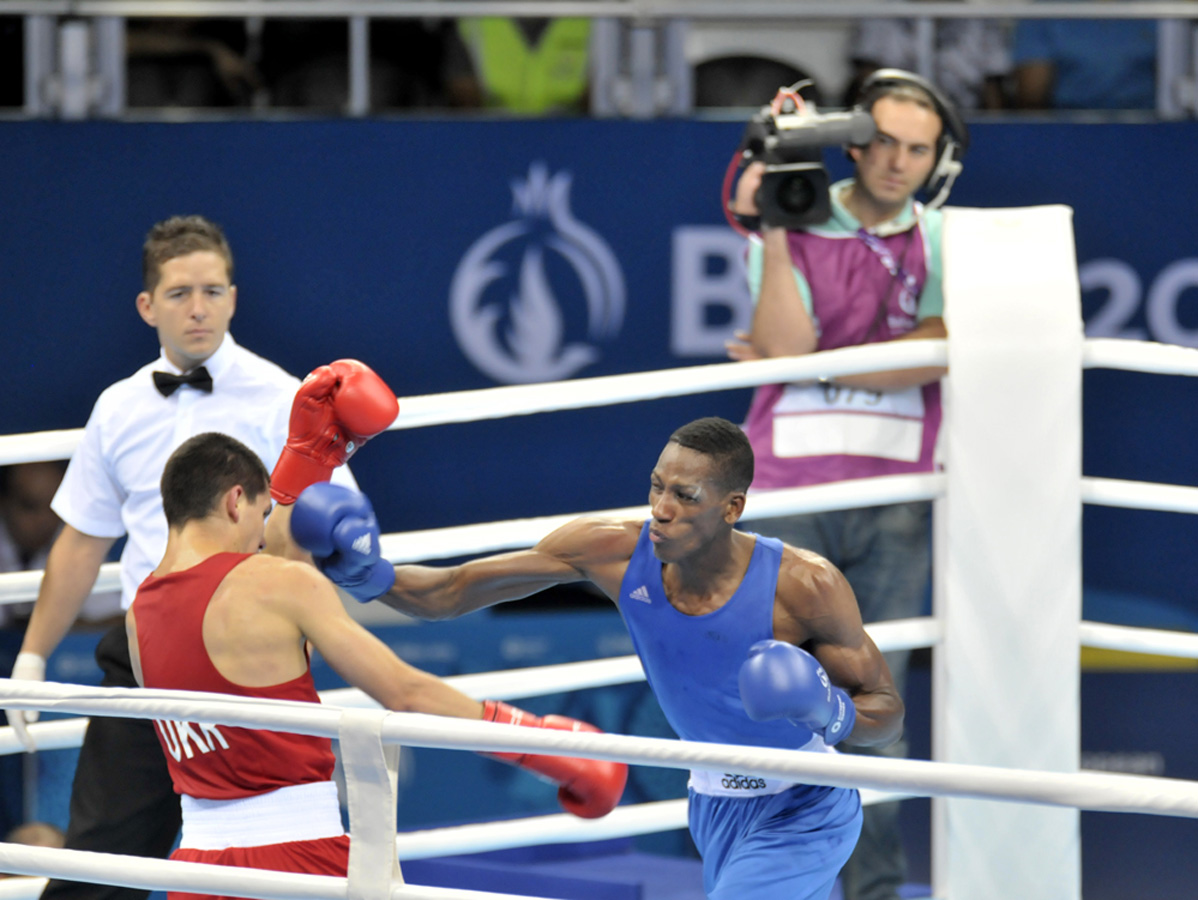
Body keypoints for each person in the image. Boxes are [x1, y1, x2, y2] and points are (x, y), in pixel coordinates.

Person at [297, 416, 903, 900]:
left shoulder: (803, 586)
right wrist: (371, 576)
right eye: (656, 486)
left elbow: (888, 711)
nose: (661, 508)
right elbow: (454, 591)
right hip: (714, 804)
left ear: (732, 507)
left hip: (808, 805)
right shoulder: (612, 551)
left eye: (685, 495)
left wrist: (831, 711)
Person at [1, 214, 360, 900]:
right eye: (179, 293)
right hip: (146, 654)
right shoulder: (118, 408)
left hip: (246, 661)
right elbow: (81, 540)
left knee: (264, 852)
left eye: (213, 290)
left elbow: (330, 521)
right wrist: (33, 658)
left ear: (234, 296)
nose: (199, 308)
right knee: (103, 855)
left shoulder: (288, 397)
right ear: (146, 306)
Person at [126, 432, 625, 892]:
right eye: (259, 520)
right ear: (236, 501)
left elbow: (252, 642)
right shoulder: (273, 584)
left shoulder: (137, 615)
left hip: (196, 868)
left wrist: (310, 456)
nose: (261, 541)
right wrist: (543, 745)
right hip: (300, 861)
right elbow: (405, 693)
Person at [723, 70, 965, 900]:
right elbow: (785, 340)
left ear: (938, 157)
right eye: (884, 141)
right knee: (765, 703)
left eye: (917, 148)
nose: (897, 161)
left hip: (896, 496)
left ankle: (869, 894)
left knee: (873, 711)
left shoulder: (943, 239)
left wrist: (809, 367)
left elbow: (935, 352)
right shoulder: (784, 226)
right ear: (853, 140)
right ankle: (765, 887)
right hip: (788, 493)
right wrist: (779, 230)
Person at [0, 462, 120, 628]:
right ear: (3, 502)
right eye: (30, 506)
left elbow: (115, 616)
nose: (44, 520)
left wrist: (54, 628)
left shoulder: (73, 541)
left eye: (53, 507)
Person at [845, 7, 1010, 110]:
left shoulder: (980, 21)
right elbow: (867, 83)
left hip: (966, 117)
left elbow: (993, 90)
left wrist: (993, 133)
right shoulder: (880, 16)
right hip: (896, 115)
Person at [1010, 5, 1157, 110]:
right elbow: (1032, 99)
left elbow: (1175, 88)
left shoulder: (1160, 8)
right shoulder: (1043, 11)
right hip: (1068, 128)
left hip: (1151, 126)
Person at [445, 17, 591, 114]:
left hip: (572, 138)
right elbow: (463, 102)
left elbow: (600, 100)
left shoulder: (594, 15)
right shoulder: (473, 19)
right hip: (493, 139)